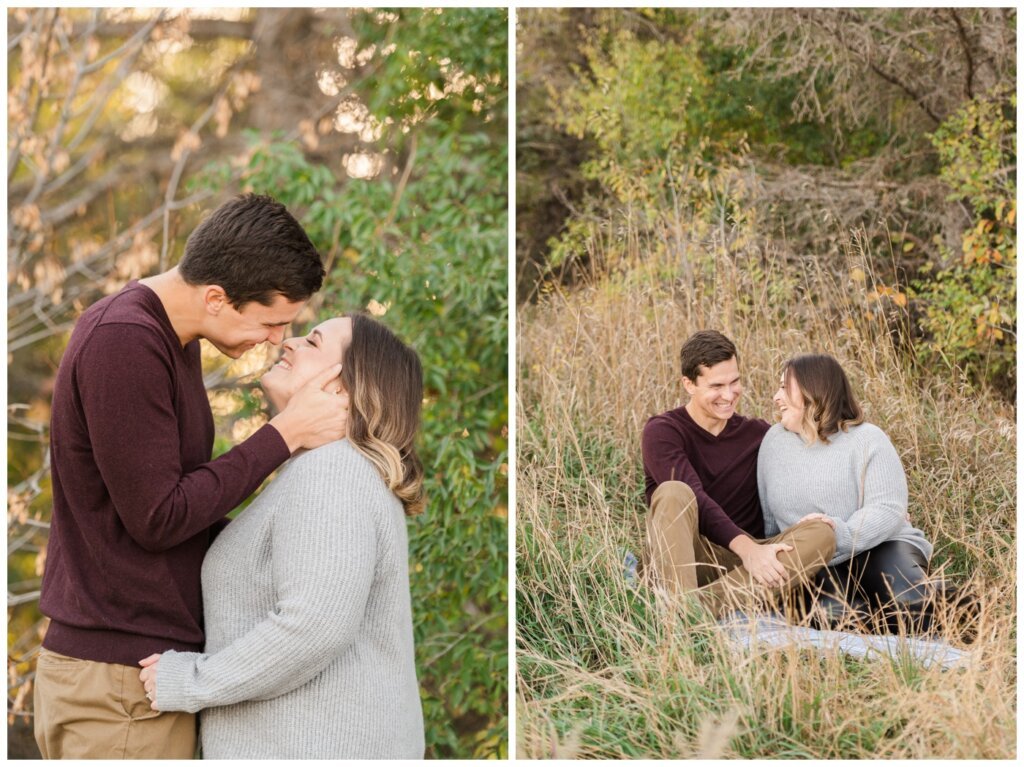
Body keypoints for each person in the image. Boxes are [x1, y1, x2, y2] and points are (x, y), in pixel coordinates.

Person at [34, 194, 348, 760]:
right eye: (272, 322)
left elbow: (179, 503)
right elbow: (159, 517)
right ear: (216, 298)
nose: (277, 339)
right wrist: (284, 434)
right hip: (117, 687)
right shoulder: (124, 340)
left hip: (139, 678)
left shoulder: (170, 340)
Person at [137, 313, 426, 759]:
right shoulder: (316, 471)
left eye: (312, 342)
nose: (288, 342)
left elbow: (313, 627)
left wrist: (189, 680)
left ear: (342, 388)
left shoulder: (334, 472)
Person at [641, 330, 836, 617]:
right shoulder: (663, 431)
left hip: (747, 566)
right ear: (689, 384)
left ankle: (691, 611)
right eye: (716, 386)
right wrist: (749, 551)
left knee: (823, 534)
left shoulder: (758, 434)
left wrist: (868, 504)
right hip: (691, 556)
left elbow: (811, 467)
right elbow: (695, 496)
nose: (729, 395)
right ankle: (683, 610)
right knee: (673, 491)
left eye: (735, 382)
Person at [757, 353, 937, 633]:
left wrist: (838, 532)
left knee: (910, 606)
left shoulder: (867, 438)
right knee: (839, 618)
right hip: (812, 556)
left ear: (812, 390)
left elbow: (889, 507)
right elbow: (770, 519)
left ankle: (949, 611)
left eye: (784, 387)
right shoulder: (774, 442)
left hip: (880, 544)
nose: (775, 397)